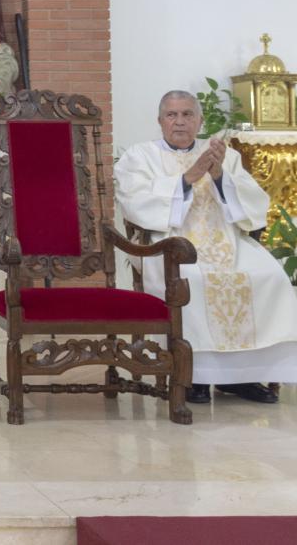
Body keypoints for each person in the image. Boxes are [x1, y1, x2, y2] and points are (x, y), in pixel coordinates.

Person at [115, 90, 297, 405]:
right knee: (194, 283)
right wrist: (189, 177)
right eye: (172, 115)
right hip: (171, 245)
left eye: (187, 114)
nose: (180, 121)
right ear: (160, 121)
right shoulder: (139, 156)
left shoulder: (225, 155)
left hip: (228, 240)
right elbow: (136, 203)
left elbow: (252, 207)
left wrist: (218, 175)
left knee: (270, 276)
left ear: (199, 120)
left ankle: (244, 377)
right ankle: (195, 375)